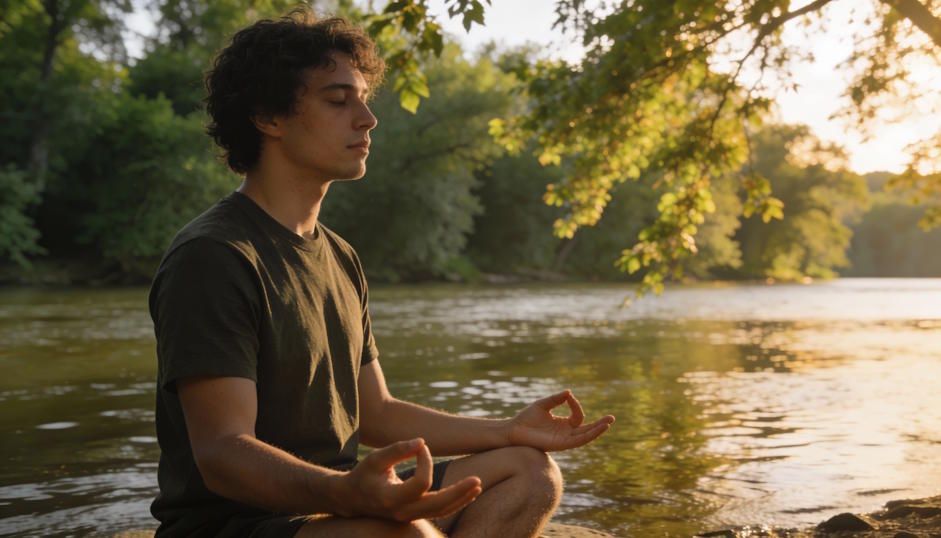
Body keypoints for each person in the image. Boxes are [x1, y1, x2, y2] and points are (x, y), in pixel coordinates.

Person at [148, 8, 615, 538]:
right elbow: (223, 453)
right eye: (338, 100)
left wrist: (507, 430)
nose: (367, 119)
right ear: (268, 117)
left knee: (530, 472)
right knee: (404, 534)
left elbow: (376, 413)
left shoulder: (340, 256)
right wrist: (346, 494)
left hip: (337, 500)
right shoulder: (214, 255)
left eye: (365, 100)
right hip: (235, 525)